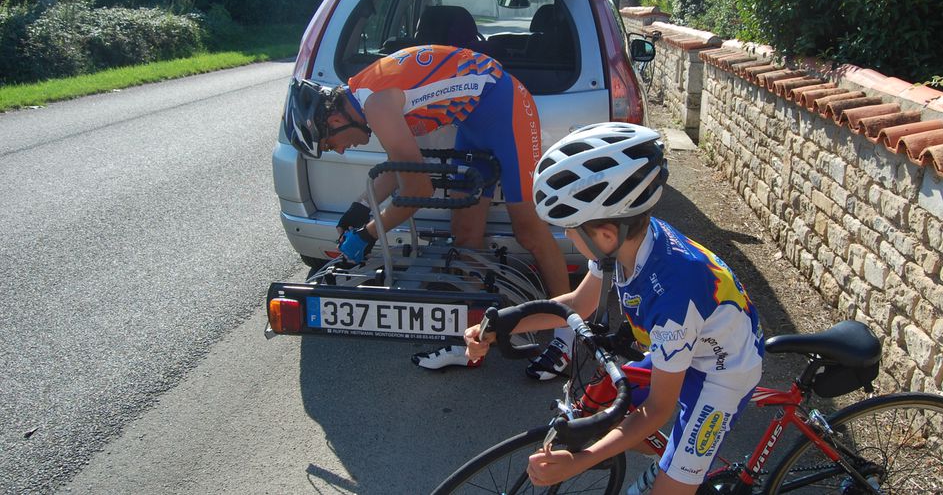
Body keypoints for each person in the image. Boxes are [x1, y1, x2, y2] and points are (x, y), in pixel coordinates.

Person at [464, 122, 765, 494]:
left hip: (720, 372)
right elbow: (578, 304)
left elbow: (658, 410)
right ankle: (669, 459)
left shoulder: (671, 295)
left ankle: (678, 470)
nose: (567, 237)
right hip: (682, 344)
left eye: (569, 229)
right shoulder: (624, 246)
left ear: (605, 233)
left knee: (669, 486)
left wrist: (580, 461)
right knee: (600, 409)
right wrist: (502, 328)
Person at [283, 44, 574, 379]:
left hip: (506, 107)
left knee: (529, 230)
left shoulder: (375, 104)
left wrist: (368, 235)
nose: (343, 149)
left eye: (332, 143)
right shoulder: (364, 98)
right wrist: (359, 209)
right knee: (465, 234)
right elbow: (400, 166)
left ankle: (569, 337)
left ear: (335, 119)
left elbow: (418, 191)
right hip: (473, 122)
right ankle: (475, 338)